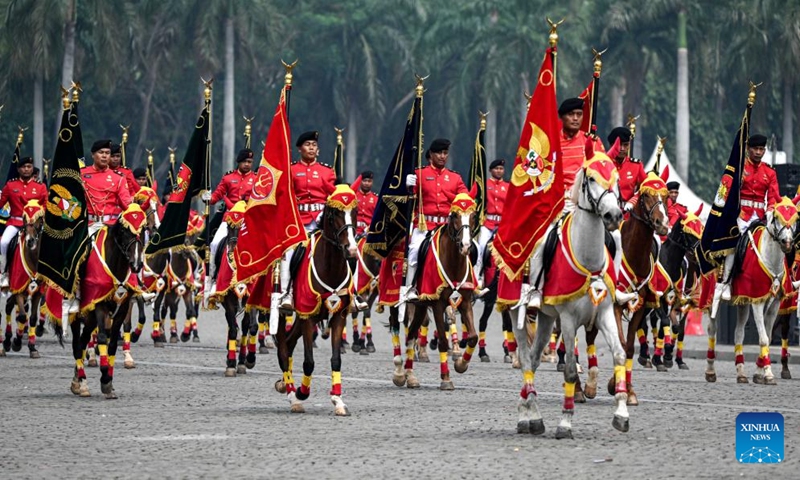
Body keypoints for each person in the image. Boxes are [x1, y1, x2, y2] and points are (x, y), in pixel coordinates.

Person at [716, 134, 780, 301]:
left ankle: (779, 279)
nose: (759, 152)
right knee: (734, 243)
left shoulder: (770, 172)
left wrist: (771, 209)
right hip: (741, 216)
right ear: (748, 149)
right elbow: (729, 191)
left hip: (760, 217)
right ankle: (727, 282)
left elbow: (773, 195)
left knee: (778, 241)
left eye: (761, 149)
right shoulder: (740, 168)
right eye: (755, 149)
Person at [403, 138, 467, 301]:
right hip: (425, 226)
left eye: (445, 153)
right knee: (415, 251)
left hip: (447, 227)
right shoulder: (419, 174)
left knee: (468, 249)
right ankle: (410, 288)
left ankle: (470, 285)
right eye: (439, 153)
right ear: (430, 155)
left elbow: (464, 198)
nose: (442, 156)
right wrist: (407, 185)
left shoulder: (455, 178)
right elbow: (408, 198)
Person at [278, 131, 336, 309]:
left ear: (318, 150)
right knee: (288, 254)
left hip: (322, 221)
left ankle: (351, 292)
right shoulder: (291, 170)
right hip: (298, 221)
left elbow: (333, 196)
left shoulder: (327, 171)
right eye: (307, 144)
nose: (311, 147)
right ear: (299, 149)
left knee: (344, 250)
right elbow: (283, 195)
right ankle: (286, 293)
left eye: (314, 145)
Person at [202, 148, 255, 283]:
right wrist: (207, 198)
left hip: (248, 221)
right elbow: (216, 196)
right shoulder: (228, 178)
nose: (247, 164)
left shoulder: (256, 179)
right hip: (228, 220)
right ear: (238, 162)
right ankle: (212, 278)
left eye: (249, 162)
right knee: (214, 244)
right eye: (244, 161)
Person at [0, 156, 48, 287]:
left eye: (29, 167)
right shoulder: (10, 185)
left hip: (35, 226)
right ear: (18, 169)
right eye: (24, 167)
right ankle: (4, 273)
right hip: (16, 224)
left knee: (49, 245)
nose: (27, 169)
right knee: (3, 242)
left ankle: (46, 274)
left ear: (32, 169)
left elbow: (46, 204)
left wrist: (38, 216)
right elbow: (1, 203)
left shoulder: (41, 186)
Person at [559, 97, 605, 211]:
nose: (575, 118)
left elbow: (603, 172)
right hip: (558, 201)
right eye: (571, 114)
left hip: (586, 199)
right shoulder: (551, 142)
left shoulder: (593, 141)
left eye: (579, 114)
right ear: (561, 117)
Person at [81, 139, 133, 236]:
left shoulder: (118, 177)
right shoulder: (82, 174)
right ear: (93, 155)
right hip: (88, 225)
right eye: (101, 153)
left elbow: (126, 203)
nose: (104, 156)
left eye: (107, 153)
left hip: (111, 227)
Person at [474, 158, 508, 295]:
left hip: (503, 225)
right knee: (481, 247)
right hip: (487, 224)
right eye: (496, 168)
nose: (499, 171)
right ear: (490, 170)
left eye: (501, 169)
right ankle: (478, 277)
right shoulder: (484, 185)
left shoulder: (508, 187)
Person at [608, 126, 645, 211]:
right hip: (606, 213)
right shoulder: (604, 163)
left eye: (625, 145)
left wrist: (633, 201)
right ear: (611, 145)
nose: (622, 149)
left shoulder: (636, 165)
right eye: (619, 144)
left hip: (628, 215)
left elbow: (646, 188)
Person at [351, 170, 377, 236]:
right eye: (364, 181)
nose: (366, 183)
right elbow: (350, 190)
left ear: (372, 182)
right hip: (353, 230)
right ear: (360, 181)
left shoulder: (376, 199)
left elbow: (377, 217)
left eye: (369, 181)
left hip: (369, 232)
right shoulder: (354, 195)